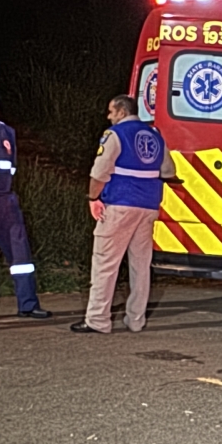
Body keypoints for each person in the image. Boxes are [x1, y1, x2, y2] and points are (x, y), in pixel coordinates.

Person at [71, 94, 174, 334]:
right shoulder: (155, 135)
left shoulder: (115, 135)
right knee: (140, 265)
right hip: (148, 207)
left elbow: (99, 172)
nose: (108, 117)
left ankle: (98, 320)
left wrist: (93, 198)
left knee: (106, 263)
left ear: (120, 111)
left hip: (119, 205)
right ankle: (136, 320)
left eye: (110, 111)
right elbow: (168, 171)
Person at [0, 86, 52, 320]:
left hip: (6, 199)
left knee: (21, 256)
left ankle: (28, 304)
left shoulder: (6, 132)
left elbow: (12, 165)